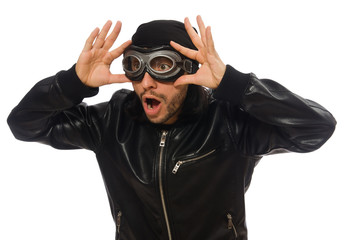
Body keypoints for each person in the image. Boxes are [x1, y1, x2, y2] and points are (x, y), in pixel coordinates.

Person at [7, 16, 336, 240]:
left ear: (189, 72)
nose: (146, 82)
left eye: (162, 66)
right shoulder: (112, 121)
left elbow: (316, 127)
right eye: (135, 66)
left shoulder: (228, 124)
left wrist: (235, 85)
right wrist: (72, 83)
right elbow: (24, 124)